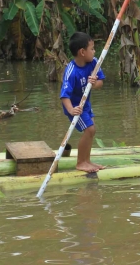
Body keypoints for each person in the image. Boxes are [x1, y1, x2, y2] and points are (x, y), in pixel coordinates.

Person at [60, 32, 106, 173]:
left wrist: (93, 83)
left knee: (91, 131)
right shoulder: (72, 72)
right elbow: (64, 96)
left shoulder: (93, 63)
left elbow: (101, 83)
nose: (94, 51)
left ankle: (87, 160)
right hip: (75, 107)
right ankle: (80, 162)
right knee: (89, 129)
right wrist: (71, 110)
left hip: (85, 104)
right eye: (91, 49)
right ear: (82, 52)